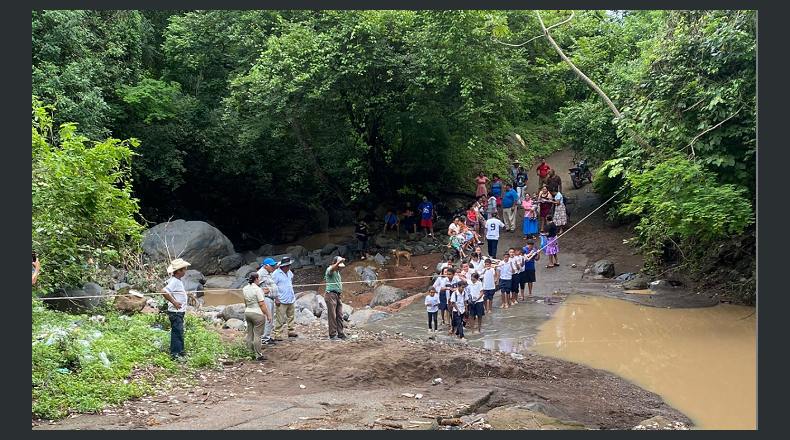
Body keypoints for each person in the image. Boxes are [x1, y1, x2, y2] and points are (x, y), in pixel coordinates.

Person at [160, 258, 191, 361]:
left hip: (178, 312)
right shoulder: (174, 282)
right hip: (175, 311)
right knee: (177, 332)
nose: (185, 271)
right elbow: (164, 291)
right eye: (184, 269)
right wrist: (174, 302)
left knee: (179, 331)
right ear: (179, 271)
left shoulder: (176, 280)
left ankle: (179, 352)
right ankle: (176, 355)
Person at [272, 257, 310, 340]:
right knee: (279, 317)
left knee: (291, 316)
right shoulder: (275, 274)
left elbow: (290, 281)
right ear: (284, 266)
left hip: (290, 298)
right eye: (288, 265)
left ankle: (291, 331)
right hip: (281, 299)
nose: (289, 267)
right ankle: (277, 333)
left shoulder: (289, 273)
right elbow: (273, 287)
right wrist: (276, 298)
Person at [242, 272, 273, 361]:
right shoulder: (258, 290)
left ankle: (249, 352)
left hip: (248, 312)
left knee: (250, 334)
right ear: (256, 279)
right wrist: (268, 315)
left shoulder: (245, 289)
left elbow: (246, 301)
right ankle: (258, 355)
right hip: (257, 313)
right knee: (258, 335)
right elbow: (262, 304)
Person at [324, 256, 348, 341]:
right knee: (332, 315)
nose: (339, 268)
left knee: (339, 315)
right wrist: (338, 263)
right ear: (334, 264)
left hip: (337, 295)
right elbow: (332, 269)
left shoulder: (337, 272)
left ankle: (341, 333)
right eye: (338, 266)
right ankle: (332, 334)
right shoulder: (329, 269)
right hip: (331, 295)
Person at [256, 258, 279, 346]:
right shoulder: (260, 273)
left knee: (270, 318)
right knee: (267, 317)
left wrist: (276, 298)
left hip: (271, 298)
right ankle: (265, 338)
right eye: (272, 265)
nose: (273, 267)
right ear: (266, 266)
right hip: (265, 298)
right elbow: (253, 285)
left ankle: (267, 336)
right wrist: (261, 291)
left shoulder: (269, 273)